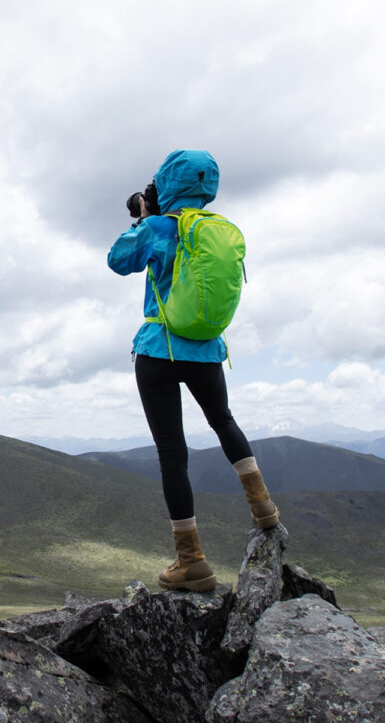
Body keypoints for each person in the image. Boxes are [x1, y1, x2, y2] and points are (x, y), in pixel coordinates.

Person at [107, 149, 280, 593]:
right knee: (223, 421)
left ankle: (192, 561)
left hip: (158, 350)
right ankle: (263, 507)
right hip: (206, 351)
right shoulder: (217, 230)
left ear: (164, 185)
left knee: (172, 453)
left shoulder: (159, 226)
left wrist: (144, 219)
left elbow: (117, 260)